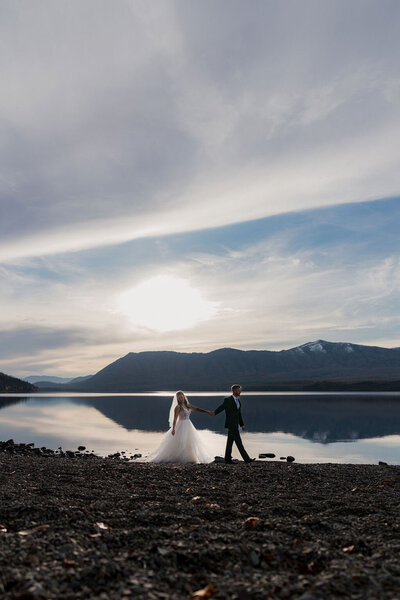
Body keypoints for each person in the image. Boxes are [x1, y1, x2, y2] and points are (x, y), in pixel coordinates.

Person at [149, 391, 214, 464]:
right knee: (181, 441)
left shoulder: (187, 405)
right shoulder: (178, 407)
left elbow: (197, 409)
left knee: (190, 441)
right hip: (181, 425)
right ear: (177, 399)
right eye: (179, 398)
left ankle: (190, 457)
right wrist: (173, 429)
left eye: (181, 397)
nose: (181, 398)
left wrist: (207, 412)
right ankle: (181, 457)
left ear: (184, 396)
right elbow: (175, 419)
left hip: (188, 424)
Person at [211, 384, 255, 464]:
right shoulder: (228, 400)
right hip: (231, 424)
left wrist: (242, 424)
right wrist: (214, 413)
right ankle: (247, 459)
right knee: (239, 442)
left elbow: (239, 414)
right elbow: (222, 407)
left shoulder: (238, 401)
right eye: (238, 390)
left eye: (240, 390)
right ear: (234, 391)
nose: (240, 392)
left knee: (230, 442)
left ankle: (227, 459)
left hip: (236, 424)